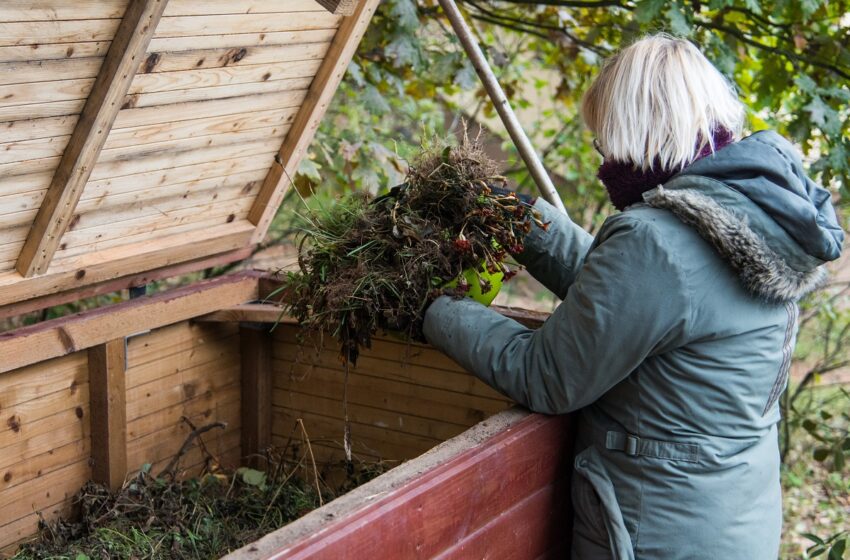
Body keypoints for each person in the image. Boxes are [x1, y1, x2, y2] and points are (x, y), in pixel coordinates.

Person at [422, 34, 844, 559]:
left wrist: (430, 307)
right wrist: (521, 220)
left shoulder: (659, 242)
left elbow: (547, 375)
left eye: (603, 141)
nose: (602, 160)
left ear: (633, 133)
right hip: (731, 514)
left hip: (656, 530)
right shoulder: (751, 210)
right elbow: (628, 304)